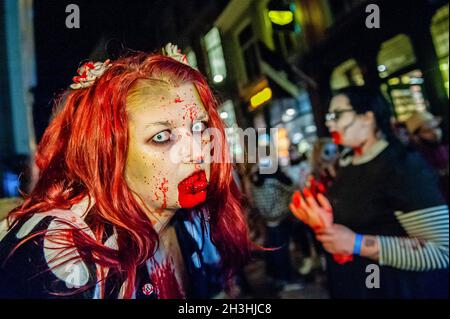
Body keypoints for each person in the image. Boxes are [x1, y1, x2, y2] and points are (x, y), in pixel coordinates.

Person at [0, 45, 251, 299]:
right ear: (110, 154)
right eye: (162, 136)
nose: (197, 152)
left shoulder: (194, 224)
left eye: (199, 127)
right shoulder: (59, 256)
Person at [290, 86, 449, 298]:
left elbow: (441, 250)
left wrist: (357, 243)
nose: (329, 122)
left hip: (396, 287)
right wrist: (323, 220)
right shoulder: (347, 162)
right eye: (329, 116)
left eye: (336, 115)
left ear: (367, 116)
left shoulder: (402, 166)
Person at [251, 162, 303, 293]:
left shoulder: (256, 180)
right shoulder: (276, 179)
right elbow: (293, 187)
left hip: (267, 219)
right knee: (281, 250)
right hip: (280, 217)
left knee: (272, 249)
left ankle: (274, 277)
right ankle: (284, 279)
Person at [405, 111, 449, 203]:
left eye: (436, 128)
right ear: (415, 136)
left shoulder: (445, 149)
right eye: (428, 131)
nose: (435, 133)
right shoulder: (414, 158)